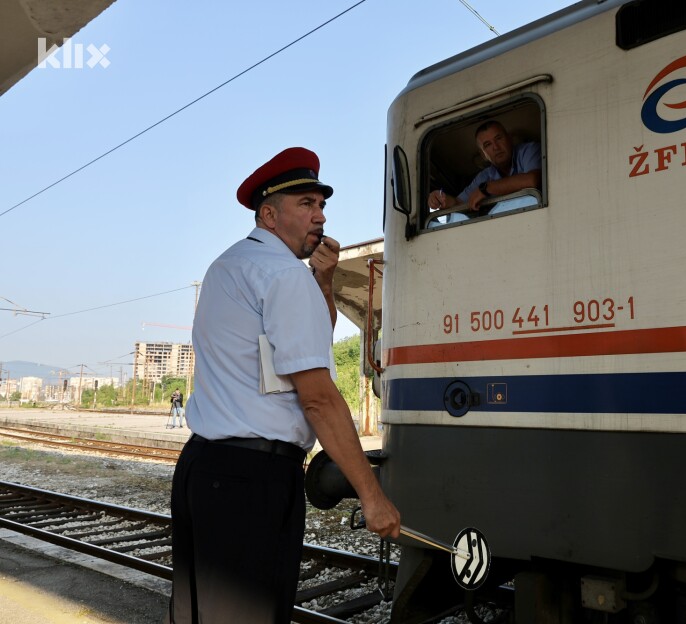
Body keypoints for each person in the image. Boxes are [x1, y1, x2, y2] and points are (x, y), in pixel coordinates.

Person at [169, 147, 400, 624]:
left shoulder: (229, 265)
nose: (320, 217)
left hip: (204, 468)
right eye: (306, 204)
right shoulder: (283, 275)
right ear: (269, 215)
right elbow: (317, 399)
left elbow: (303, 344)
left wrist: (323, 282)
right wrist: (372, 496)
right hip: (253, 479)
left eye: (322, 205)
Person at [428, 120, 542, 213]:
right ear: (483, 155)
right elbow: (459, 203)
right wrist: (440, 199)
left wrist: (487, 189)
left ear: (509, 139)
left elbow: (532, 180)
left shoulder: (528, 150)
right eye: (488, 145)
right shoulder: (485, 176)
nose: (496, 147)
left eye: (499, 138)